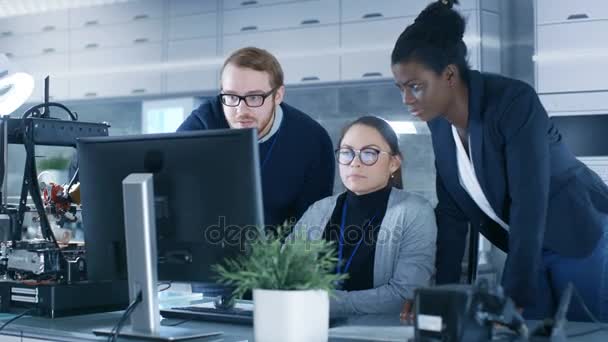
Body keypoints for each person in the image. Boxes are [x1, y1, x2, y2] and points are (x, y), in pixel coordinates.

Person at [391, 0, 608, 321]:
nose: (406, 99)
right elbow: (452, 216)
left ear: (449, 75)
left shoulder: (513, 102)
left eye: (415, 87)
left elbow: (528, 199)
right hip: (527, 245)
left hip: (577, 233)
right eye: (400, 88)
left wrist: (516, 292)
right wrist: (440, 301)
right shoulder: (439, 124)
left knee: (582, 333)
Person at [291, 116, 437, 316]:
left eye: (369, 153)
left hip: (379, 334)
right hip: (309, 329)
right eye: (347, 153)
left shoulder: (415, 211)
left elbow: (404, 296)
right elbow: (283, 275)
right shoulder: (319, 210)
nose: (355, 163)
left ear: (394, 163)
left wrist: (324, 303)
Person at [178, 47, 335, 229]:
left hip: (278, 253)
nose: (241, 111)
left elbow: (313, 226)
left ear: (278, 95)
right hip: (207, 243)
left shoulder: (312, 141)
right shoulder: (201, 125)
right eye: (231, 96)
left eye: (254, 98)